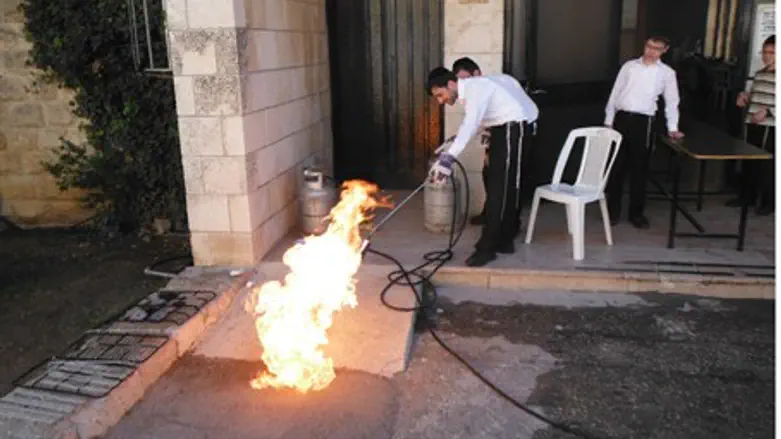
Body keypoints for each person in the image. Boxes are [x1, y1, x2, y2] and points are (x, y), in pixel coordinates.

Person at [426, 67, 539, 267]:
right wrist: (453, 144)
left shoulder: (474, 90)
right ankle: (505, 239)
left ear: (451, 84)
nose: (441, 101)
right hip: (507, 128)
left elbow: (470, 123)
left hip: (514, 128)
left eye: (440, 95)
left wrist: (448, 159)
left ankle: (487, 248)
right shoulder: (480, 86)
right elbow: (507, 87)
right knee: (504, 186)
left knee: (500, 189)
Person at [604, 35, 684, 229]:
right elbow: (615, 93)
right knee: (616, 167)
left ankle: (636, 213)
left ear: (664, 51)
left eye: (656, 49)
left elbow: (672, 101)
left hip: (644, 120)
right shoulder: (629, 66)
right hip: (622, 117)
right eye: (649, 46)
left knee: (639, 168)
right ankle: (611, 212)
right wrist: (608, 120)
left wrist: (673, 128)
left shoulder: (667, 73)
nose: (651, 51)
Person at [728, 34, 775, 215]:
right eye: (765, 52)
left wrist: (768, 112)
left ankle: (769, 202)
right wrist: (745, 97)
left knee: (767, 166)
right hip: (753, 123)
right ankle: (747, 196)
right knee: (750, 161)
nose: (767, 56)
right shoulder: (760, 74)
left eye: (772, 52)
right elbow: (755, 95)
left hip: (770, 126)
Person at [451, 57, 491, 225]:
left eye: (466, 78)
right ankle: (488, 212)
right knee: (487, 174)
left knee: (501, 180)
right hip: (490, 136)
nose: (465, 84)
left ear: (477, 73)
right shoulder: (470, 94)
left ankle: (499, 219)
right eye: (461, 80)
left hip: (509, 132)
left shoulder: (486, 87)